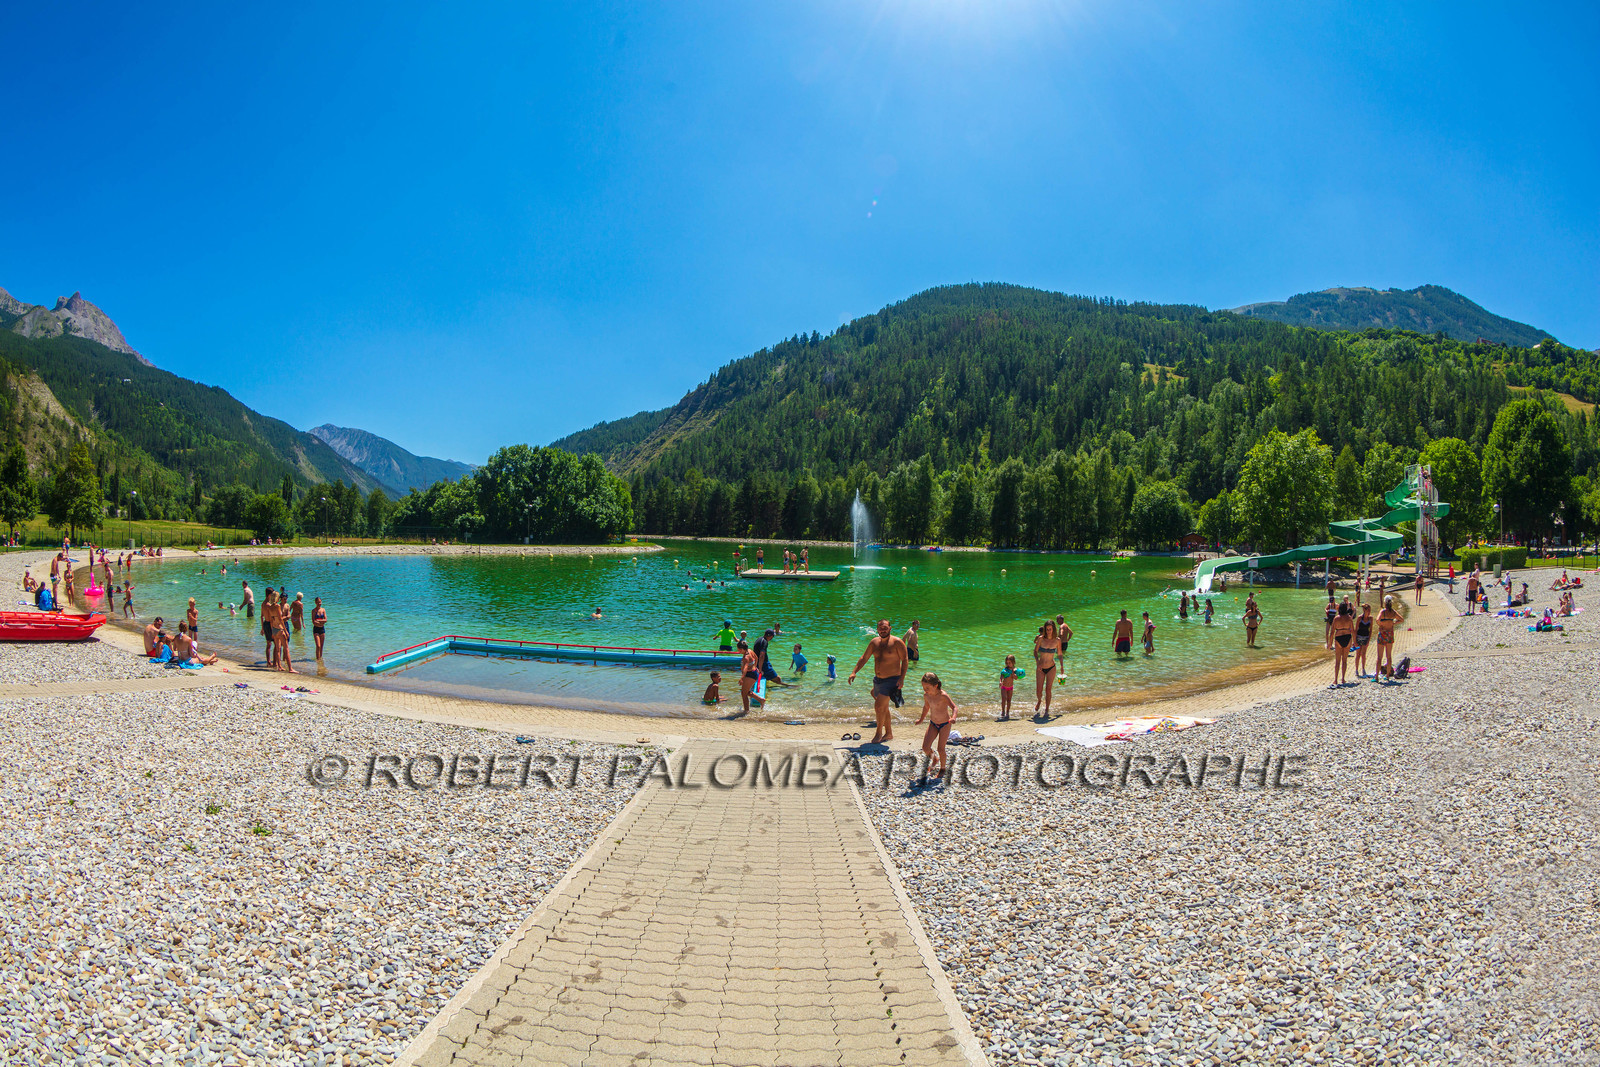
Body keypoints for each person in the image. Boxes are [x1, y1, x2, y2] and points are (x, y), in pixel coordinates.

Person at [847, 619, 909, 745]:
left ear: (890, 628)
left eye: (885, 628)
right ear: (877, 630)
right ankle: (889, 733)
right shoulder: (874, 642)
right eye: (880, 628)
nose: (883, 630)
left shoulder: (897, 642)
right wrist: (854, 672)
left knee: (879, 706)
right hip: (878, 680)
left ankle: (879, 733)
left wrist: (902, 678)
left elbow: (905, 660)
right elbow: (864, 658)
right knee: (883, 707)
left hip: (892, 680)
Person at [914, 672, 958, 785]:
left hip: (945, 724)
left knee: (941, 748)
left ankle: (943, 768)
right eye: (923, 688)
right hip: (933, 723)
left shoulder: (943, 695)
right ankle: (934, 759)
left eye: (927, 688)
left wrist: (953, 718)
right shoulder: (927, 696)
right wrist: (921, 720)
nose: (925, 690)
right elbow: (926, 708)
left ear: (935, 686)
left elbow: (954, 707)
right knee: (925, 747)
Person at [1033, 620, 1063, 716]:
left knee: (1048, 689)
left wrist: (1062, 666)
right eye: (1047, 629)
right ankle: (1039, 700)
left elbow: (1060, 654)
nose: (1049, 631)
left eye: (1050, 629)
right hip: (1040, 668)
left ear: (1053, 629)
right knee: (1039, 690)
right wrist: (1037, 662)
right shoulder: (1041, 639)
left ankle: (1047, 709)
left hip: (1051, 667)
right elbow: (1035, 651)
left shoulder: (1057, 640)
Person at [1329, 602, 1355, 686]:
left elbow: (1332, 632)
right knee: (1344, 660)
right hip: (1347, 637)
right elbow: (1353, 630)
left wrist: (1330, 643)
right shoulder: (1349, 618)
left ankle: (1336, 679)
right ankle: (1343, 678)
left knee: (1337, 661)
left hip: (1338, 637)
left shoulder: (1336, 618)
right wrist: (1355, 642)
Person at [1375, 596, 1400, 680]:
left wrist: (1381, 625)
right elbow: (1401, 619)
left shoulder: (1383, 612)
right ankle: (1388, 675)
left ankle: (1376, 676)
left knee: (1379, 657)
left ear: (1385, 603)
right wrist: (1392, 623)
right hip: (1390, 633)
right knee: (1389, 656)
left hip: (1382, 633)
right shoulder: (1393, 612)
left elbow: (1377, 620)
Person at [998, 654, 1022, 721]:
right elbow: (1001, 676)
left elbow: (1016, 678)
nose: (1008, 664)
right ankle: (1003, 712)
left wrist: (1014, 676)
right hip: (1004, 687)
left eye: (1009, 663)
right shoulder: (1005, 670)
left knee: (1009, 700)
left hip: (1010, 687)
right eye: (1007, 663)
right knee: (1003, 699)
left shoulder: (1015, 670)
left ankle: (1007, 713)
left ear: (1013, 662)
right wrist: (1000, 682)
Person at [1354, 603, 1374, 678]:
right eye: (1367, 610)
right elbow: (1356, 629)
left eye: (1369, 610)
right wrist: (1354, 641)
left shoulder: (1370, 618)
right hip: (1359, 637)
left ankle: (1363, 669)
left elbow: (1371, 630)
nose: (1369, 612)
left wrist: (1369, 640)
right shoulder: (1360, 618)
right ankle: (1356, 669)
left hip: (1366, 637)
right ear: (1364, 610)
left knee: (1364, 654)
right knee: (1358, 654)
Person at [737, 641, 757, 714]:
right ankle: (761, 700)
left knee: (744, 694)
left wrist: (742, 678)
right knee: (746, 691)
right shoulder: (750, 651)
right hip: (752, 673)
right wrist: (755, 666)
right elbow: (756, 658)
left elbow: (745, 667)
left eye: (738, 649)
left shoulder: (746, 657)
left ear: (742, 649)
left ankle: (746, 711)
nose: (738, 651)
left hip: (750, 675)